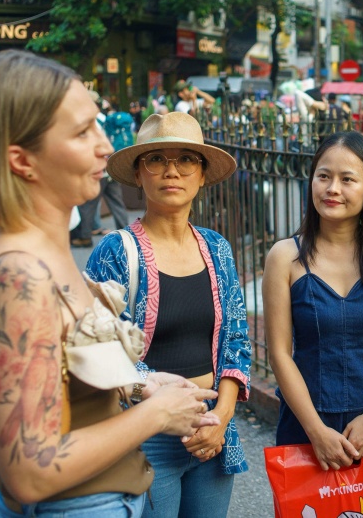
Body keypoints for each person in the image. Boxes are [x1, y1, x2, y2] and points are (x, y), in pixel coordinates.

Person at [0, 50, 221, 517]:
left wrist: (142, 384)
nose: (105, 146)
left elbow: (63, 373)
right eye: (83, 132)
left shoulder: (42, 246)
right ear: (22, 160)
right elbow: (29, 471)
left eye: (98, 126)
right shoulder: (18, 274)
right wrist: (156, 414)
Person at [85, 111, 251, 518]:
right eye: (156, 159)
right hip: (145, 433)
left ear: (202, 174)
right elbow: (97, 349)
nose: (171, 171)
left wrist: (222, 415)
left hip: (211, 430)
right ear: (138, 174)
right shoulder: (115, 251)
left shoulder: (217, 248)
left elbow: (236, 339)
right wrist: (155, 398)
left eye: (186, 160)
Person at [264, 132, 363, 476]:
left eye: (347, 179)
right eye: (324, 176)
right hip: (306, 423)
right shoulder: (285, 257)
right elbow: (279, 353)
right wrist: (316, 431)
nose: (332, 188)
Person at [71, 109, 132, 247]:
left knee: (88, 204)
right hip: (112, 168)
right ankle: (127, 235)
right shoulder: (106, 120)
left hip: (99, 171)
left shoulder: (92, 123)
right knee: (117, 203)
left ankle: (85, 237)